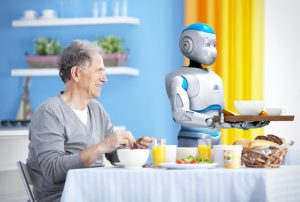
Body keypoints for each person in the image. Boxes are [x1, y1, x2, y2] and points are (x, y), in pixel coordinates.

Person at [26, 40, 151, 202]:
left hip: (97, 193)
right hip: (63, 197)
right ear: (76, 73)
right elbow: (52, 170)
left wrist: (131, 149)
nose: (104, 79)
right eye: (99, 71)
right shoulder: (49, 112)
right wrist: (100, 147)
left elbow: (114, 156)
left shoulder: (97, 110)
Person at [165, 23, 269, 147]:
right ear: (187, 44)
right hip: (193, 142)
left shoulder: (215, 78)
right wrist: (212, 121)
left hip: (217, 140)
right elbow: (180, 114)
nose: (213, 50)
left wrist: (245, 122)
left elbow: (220, 114)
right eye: (208, 44)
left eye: (214, 45)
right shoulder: (179, 79)